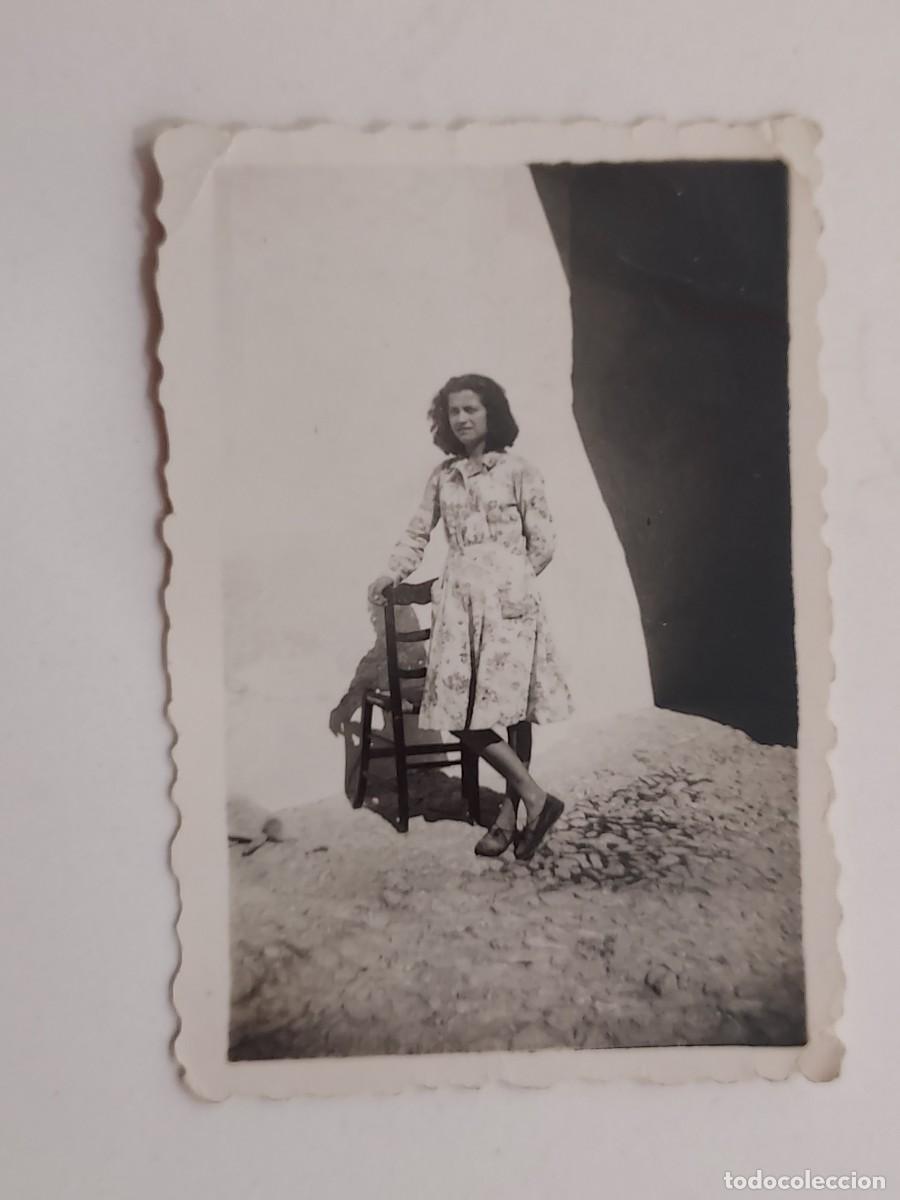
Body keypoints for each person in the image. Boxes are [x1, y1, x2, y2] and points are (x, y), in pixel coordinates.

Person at [367, 374, 573, 860]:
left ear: (490, 414)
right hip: (458, 611)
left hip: (509, 610)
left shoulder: (520, 471)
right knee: (456, 710)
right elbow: (417, 533)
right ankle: (536, 796)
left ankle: (507, 819)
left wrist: (508, 585)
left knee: (514, 712)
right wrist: (392, 571)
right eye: (453, 411)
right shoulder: (444, 476)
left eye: (470, 409)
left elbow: (543, 541)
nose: (461, 419)